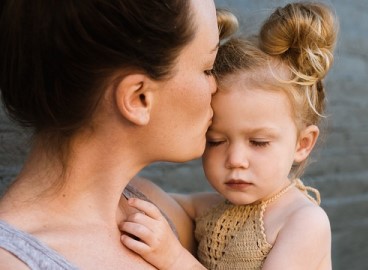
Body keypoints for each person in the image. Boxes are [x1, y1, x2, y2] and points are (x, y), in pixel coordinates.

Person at [0, 0, 234, 269]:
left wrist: (292, 219)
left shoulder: (152, 206)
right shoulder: (14, 263)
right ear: (138, 98)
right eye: (207, 69)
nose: (216, 86)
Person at [121, 2, 338, 269]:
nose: (235, 159)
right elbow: (149, 196)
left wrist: (174, 258)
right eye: (216, 141)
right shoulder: (212, 209)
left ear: (302, 144)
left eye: (258, 142)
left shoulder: (302, 221)